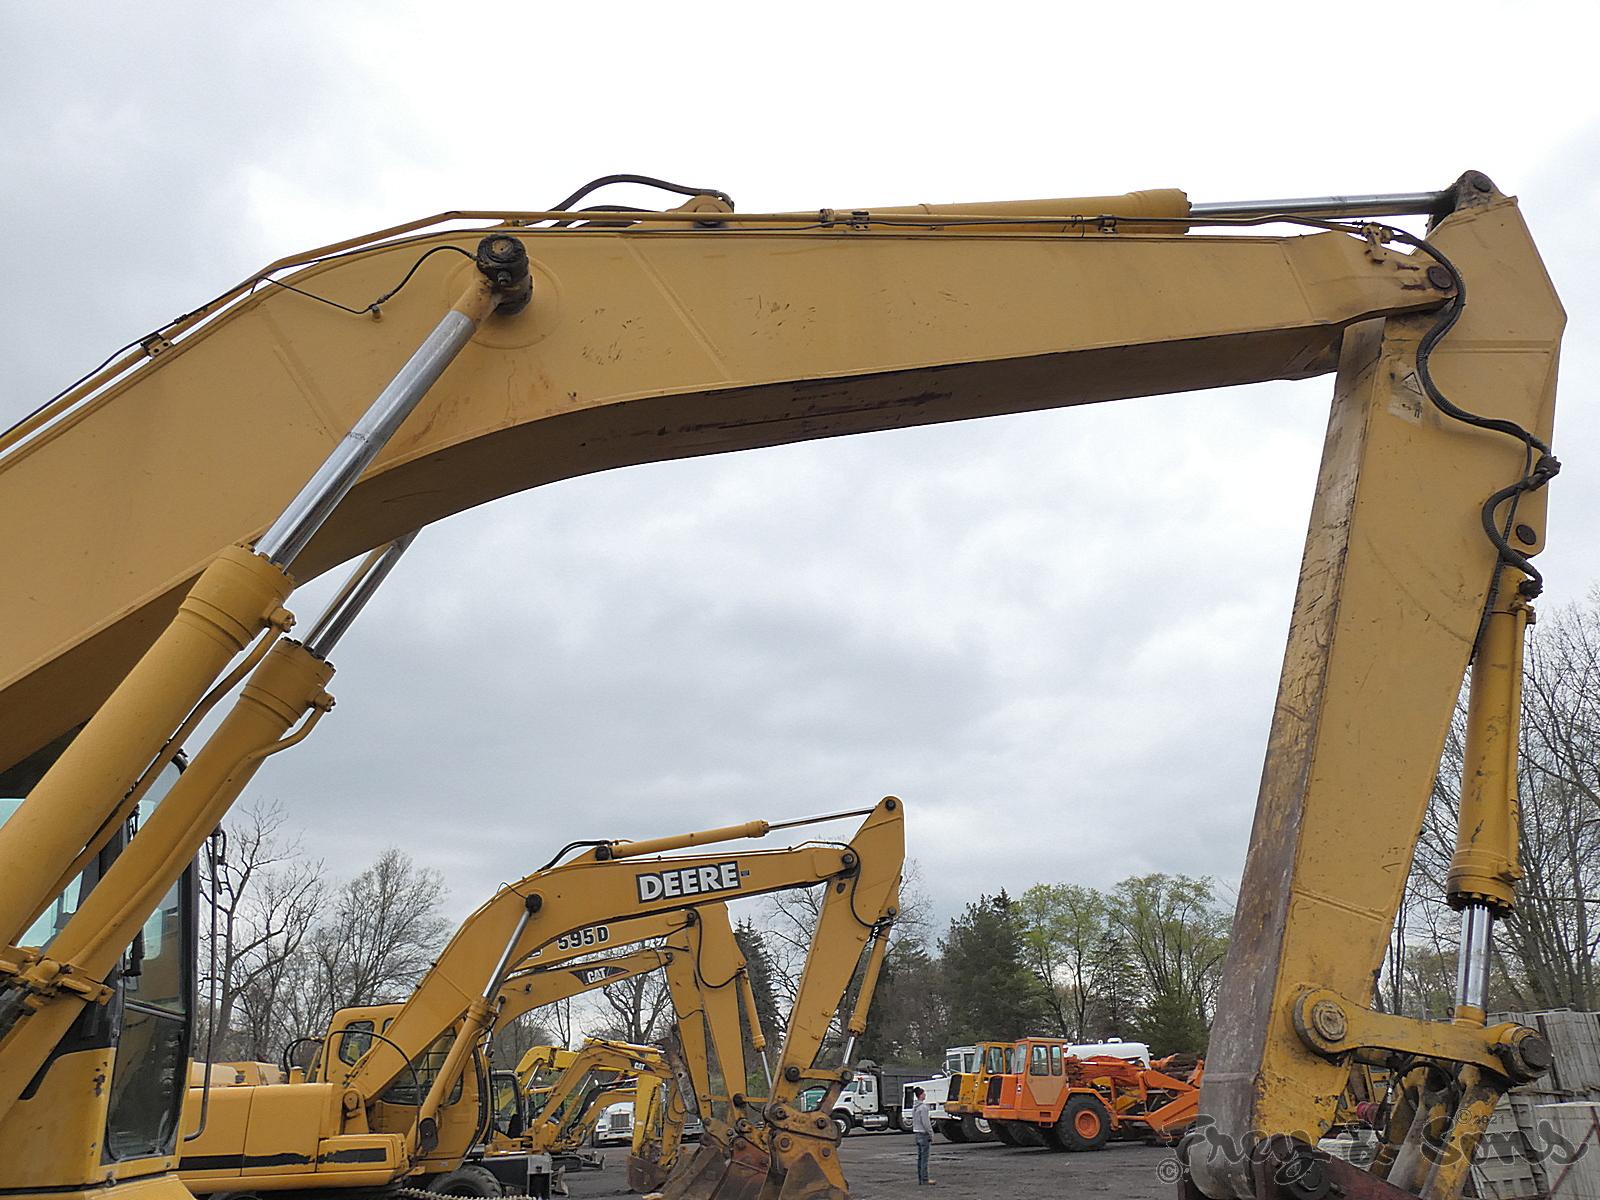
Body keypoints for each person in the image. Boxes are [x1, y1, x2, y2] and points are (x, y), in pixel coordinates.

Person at [911, 1086, 936, 1185]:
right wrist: (931, 1133)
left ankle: (920, 1179)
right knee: (925, 1158)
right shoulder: (923, 1108)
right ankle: (925, 1179)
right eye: (924, 1093)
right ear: (921, 1095)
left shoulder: (915, 1108)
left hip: (917, 1133)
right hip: (923, 1134)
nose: (925, 1095)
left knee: (920, 1158)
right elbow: (926, 1123)